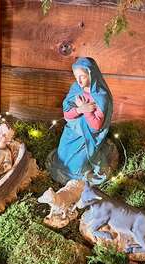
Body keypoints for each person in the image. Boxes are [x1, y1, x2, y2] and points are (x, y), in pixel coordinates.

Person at [47, 57, 113, 185]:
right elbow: (67, 114)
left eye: (82, 76)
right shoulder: (76, 89)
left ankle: (79, 175)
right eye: (76, 76)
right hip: (72, 130)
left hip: (87, 138)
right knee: (61, 155)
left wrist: (88, 112)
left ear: (91, 74)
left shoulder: (100, 96)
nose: (79, 80)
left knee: (76, 165)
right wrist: (80, 110)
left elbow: (97, 125)